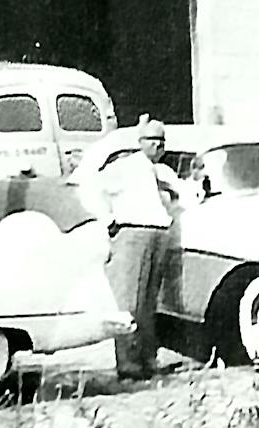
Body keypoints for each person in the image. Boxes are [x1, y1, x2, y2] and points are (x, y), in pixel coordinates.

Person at [75, 115, 186, 380]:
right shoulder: (126, 165)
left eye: (161, 142)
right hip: (133, 232)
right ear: (140, 142)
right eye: (152, 141)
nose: (158, 147)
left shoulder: (161, 171)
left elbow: (183, 194)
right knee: (130, 301)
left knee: (149, 302)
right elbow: (89, 187)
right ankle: (127, 363)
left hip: (159, 234)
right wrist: (108, 219)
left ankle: (148, 359)